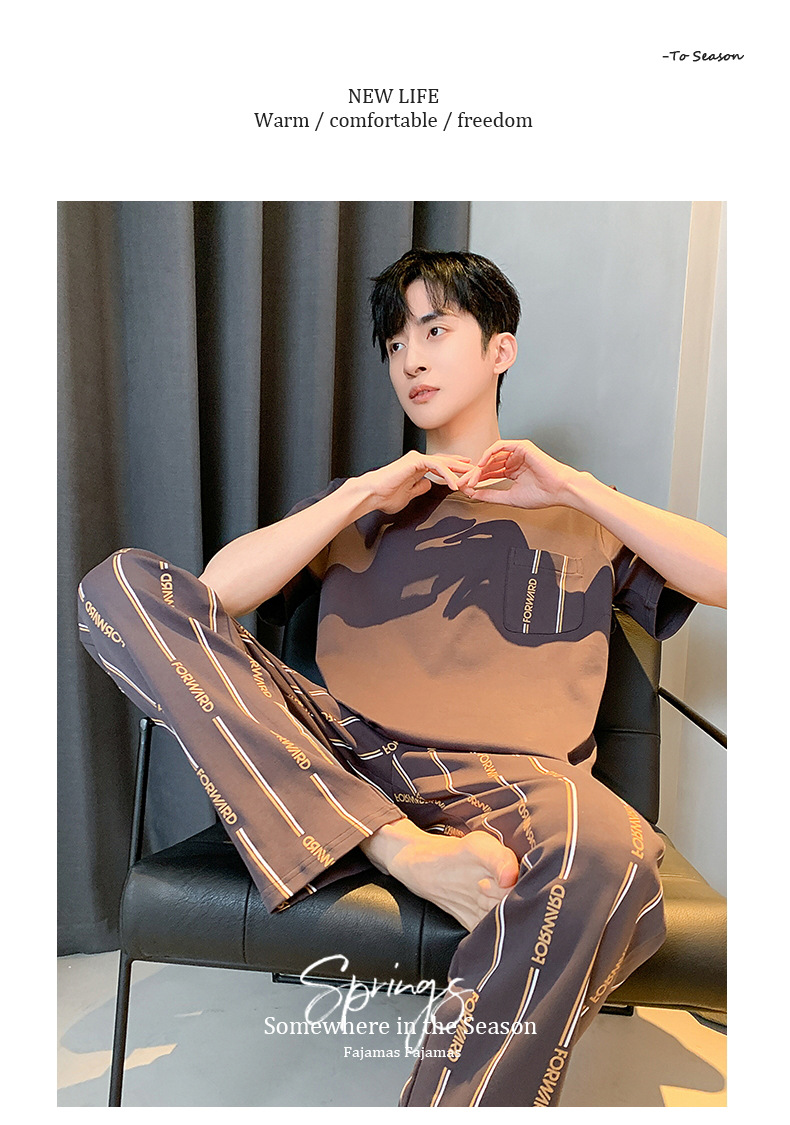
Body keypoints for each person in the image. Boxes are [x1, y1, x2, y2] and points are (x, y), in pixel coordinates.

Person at [78, 248, 726, 1107]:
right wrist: (358, 496)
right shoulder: (361, 503)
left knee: (609, 846)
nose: (410, 359)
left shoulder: (583, 511)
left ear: (500, 349)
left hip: (515, 780)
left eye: (435, 330)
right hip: (339, 750)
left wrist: (572, 488)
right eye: (394, 343)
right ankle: (395, 845)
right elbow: (209, 597)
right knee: (117, 587)